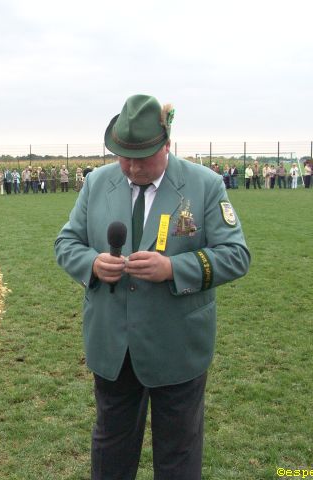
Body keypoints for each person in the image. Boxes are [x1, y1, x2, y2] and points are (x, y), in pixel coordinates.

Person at [55, 94, 250, 480]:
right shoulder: (96, 183)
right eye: (123, 157)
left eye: (142, 158)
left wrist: (173, 268)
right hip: (113, 345)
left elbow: (236, 255)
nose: (132, 167)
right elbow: (66, 243)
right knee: (111, 447)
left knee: (178, 452)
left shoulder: (205, 185)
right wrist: (92, 264)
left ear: (167, 145)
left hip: (178, 345)